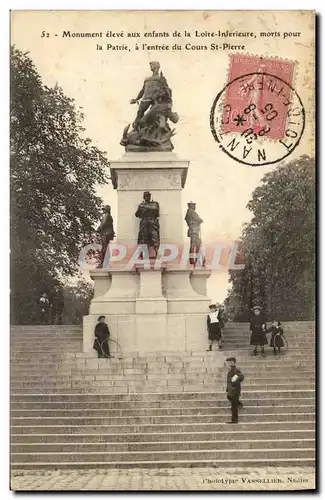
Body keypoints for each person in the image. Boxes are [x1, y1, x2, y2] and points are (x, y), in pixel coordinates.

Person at [226, 357, 245, 424]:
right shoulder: (231, 370)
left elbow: (241, 377)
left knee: (234, 407)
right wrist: (227, 389)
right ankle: (238, 403)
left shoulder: (235, 370)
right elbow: (229, 381)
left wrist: (234, 380)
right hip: (232, 390)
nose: (227, 364)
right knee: (229, 398)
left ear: (232, 362)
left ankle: (234, 420)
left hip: (235, 390)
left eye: (228, 362)